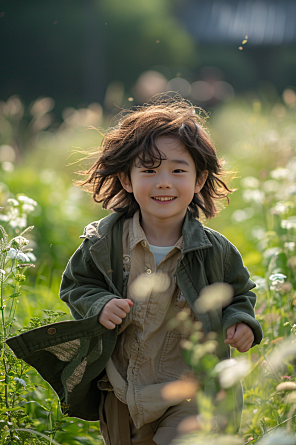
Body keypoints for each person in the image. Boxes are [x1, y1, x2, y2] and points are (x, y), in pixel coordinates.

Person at [7, 94, 262, 445]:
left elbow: (240, 292)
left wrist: (240, 321)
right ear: (127, 180)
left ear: (199, 180)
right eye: (149, 170)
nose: (163, 181)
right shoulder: (104, 241)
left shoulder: (213, 250)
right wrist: (99, 305)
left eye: (177, 170)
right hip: (121, 389)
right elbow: (77, 285)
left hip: (191, 389)